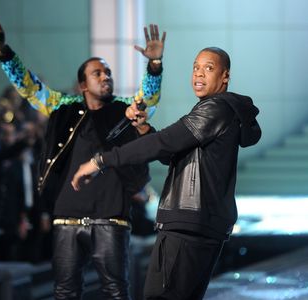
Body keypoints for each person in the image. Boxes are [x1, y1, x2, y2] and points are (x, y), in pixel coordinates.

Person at [0, 17, 166, 299]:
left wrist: (154, 67)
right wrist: (4, 52)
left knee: (116, 291)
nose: (106, 76)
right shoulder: (62, 107)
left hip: (110, 218)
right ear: (83, 84)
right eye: (97, 73)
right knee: (65, 291)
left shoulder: (125, 110)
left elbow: (149, 100)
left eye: (108, 72)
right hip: (66, 218)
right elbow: (29, 86)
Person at [71, 47, 261, 299]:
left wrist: (100, 161)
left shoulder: (215, 109)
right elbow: (172, 153)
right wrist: (143, 129)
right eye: (195, 67)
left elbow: (163, 143)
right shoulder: (216, 110)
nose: (199, 74)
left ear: (225, 76)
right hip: (200, 224)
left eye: (208, 68)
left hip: (188, 225)